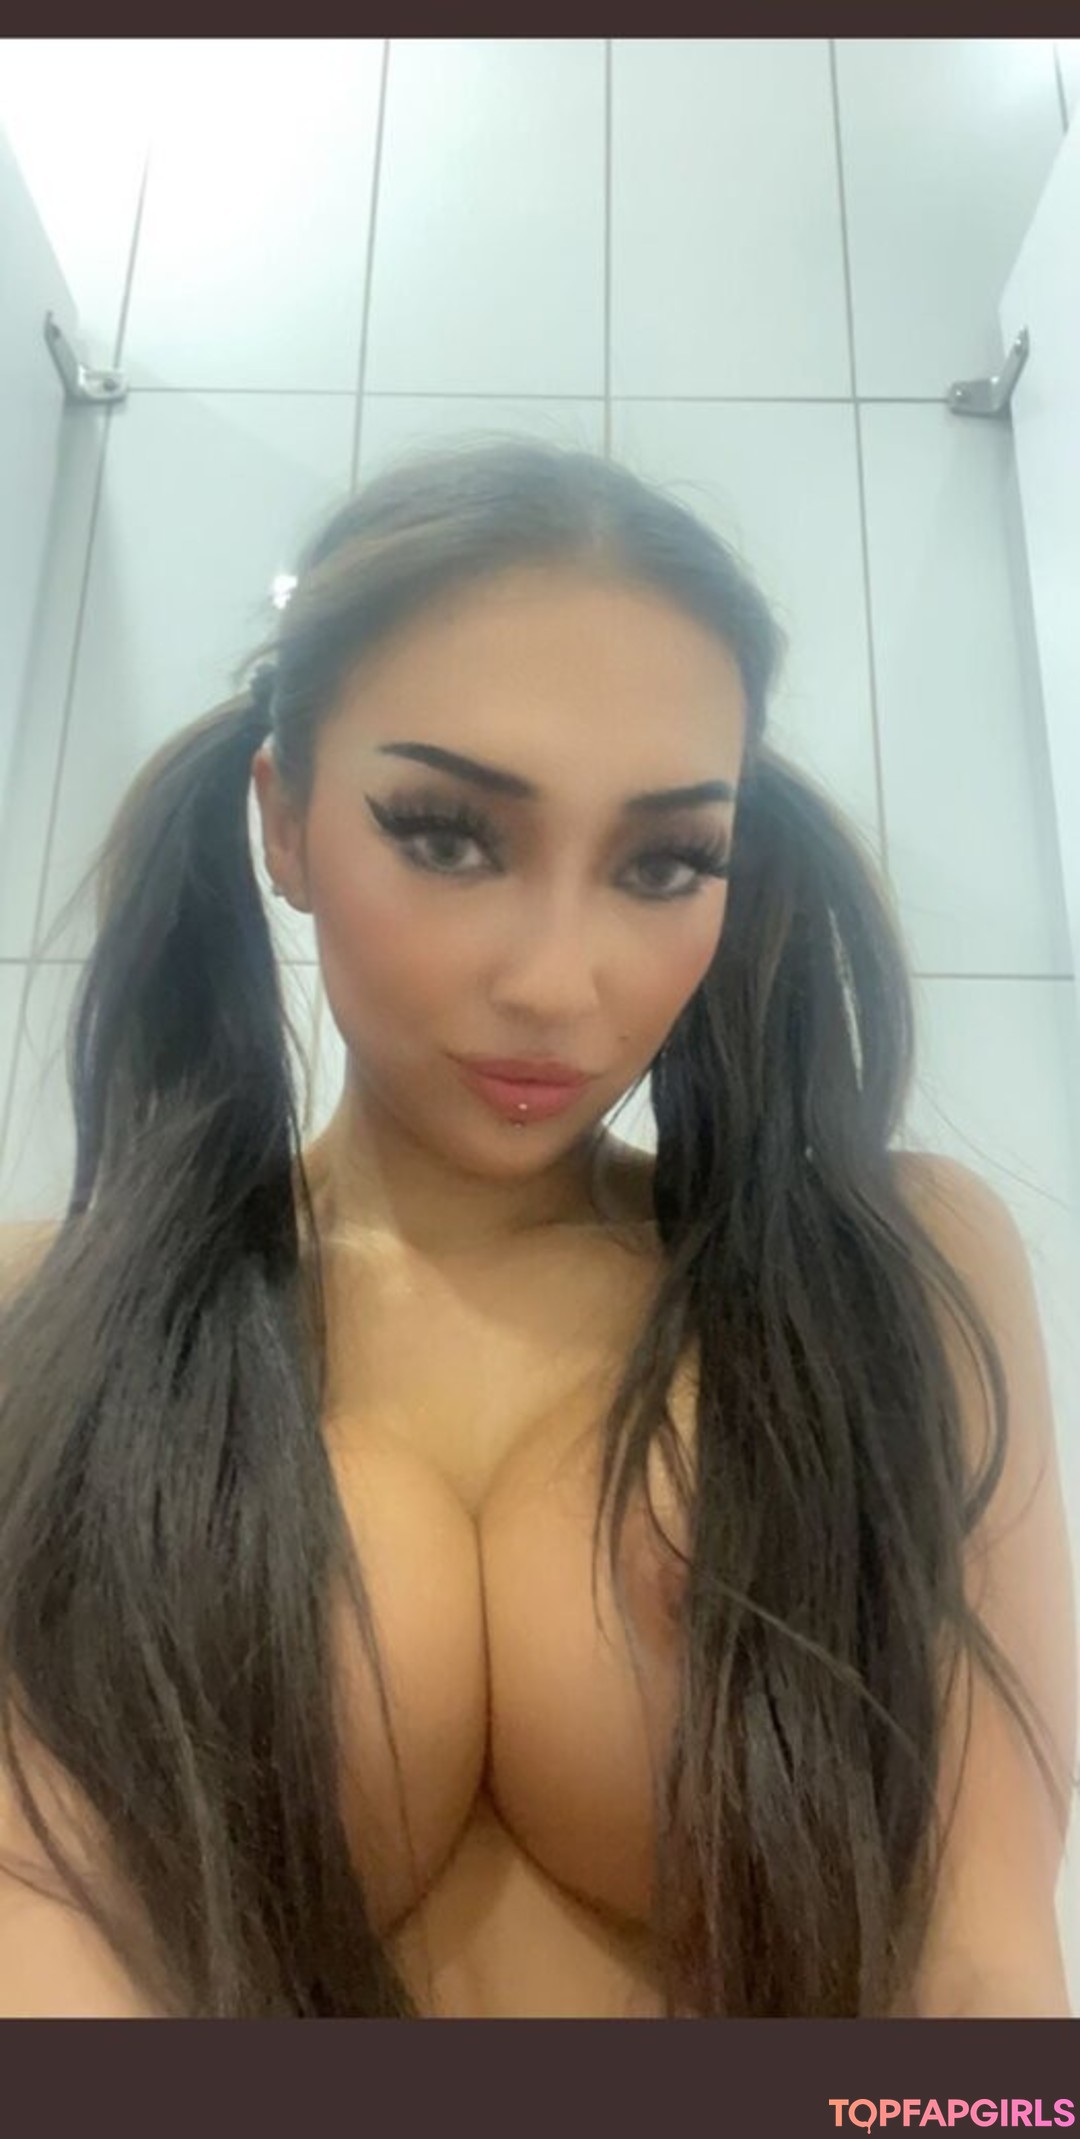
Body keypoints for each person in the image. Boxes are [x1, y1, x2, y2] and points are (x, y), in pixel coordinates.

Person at [0, 439, 1074, 2020]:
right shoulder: (52, 1318)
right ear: (285, 823)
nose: (560, 982)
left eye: (665, 862)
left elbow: (985, 1976)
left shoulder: (889, 1274)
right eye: (448, 834)